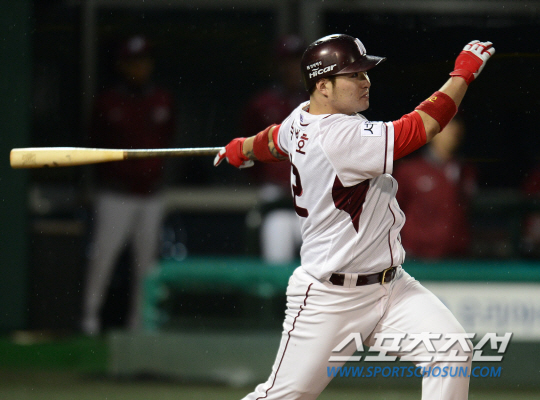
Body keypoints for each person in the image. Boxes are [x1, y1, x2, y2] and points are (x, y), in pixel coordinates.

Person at [215, 34, 494, 399]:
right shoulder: (339, 136)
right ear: (323, 85)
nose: (366, 81)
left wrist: (243, 148)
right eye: (354, 75)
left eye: (364, 73)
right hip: (331, 298)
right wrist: (462, 75)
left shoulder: (303, 116)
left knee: (451, 350)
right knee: (284, 395)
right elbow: (422, 126)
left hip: (392, 288)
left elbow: (273, 139)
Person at [82, 35, 175, 335]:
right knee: (103, 258)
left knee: (146, 265)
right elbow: (94, 143)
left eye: (143, 61)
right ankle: (89, 321)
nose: (139, 67)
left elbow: (168, 141)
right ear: (122, 65)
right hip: (115, 194)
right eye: (133, 62)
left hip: (151, 194)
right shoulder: (108, 101)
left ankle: (140, 326)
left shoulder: (161, 99)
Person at [240, 34, 308, 264]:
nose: (292, 68)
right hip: (275, 195)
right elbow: (247, 151)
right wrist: (267, 177)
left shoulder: (321, 102)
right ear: (277, 65)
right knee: (276, 261)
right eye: (287, 62)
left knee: (321, 268)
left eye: (297, 62)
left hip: (314, 195)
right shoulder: (262, 104)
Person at [392, 117, 478, 259]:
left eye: (456, 126)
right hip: (416, 258)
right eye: (448, 126)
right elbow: (390, 213)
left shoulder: (466, 170)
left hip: (457, 257)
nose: (454, 132)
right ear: (434, 131)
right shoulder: (409, 170)